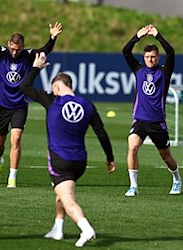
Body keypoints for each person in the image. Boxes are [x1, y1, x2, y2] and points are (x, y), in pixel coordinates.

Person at [19, 52, 116, 247]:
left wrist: (36, 67)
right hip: (80, 161)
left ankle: (85, 228)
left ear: (56, 86)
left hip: (60, 159)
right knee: (61, 193)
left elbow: (24, 86)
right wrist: (109, 158)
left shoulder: (52, 100)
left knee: (68, 198)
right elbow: (102, 133)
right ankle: (58, 228)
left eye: (53, 89)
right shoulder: (87, 105)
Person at [0, 11, 62, 188]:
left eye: (18, 49)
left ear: (23, 46)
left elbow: (44, 51)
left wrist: (52, 38)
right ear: (9, 44)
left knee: (16, 139)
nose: (15, 52)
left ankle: (12, 178)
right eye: (12, 48)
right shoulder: (1, 53)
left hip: (20, 105)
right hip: (1, 104)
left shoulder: (28, 55)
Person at [122, 24, 181, 197]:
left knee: (166, 156)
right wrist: (137, 36)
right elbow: (125, 51)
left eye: (153, 57)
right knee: (132, 147)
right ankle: (133, 186)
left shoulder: (164, 73)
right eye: (147, 56)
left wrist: (158, 35)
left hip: (157, 122)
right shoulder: (138, 69)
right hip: (140, 120)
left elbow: (171, 53)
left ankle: (177, 179)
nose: (150, 59)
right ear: (144, 57)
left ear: (158, 57)